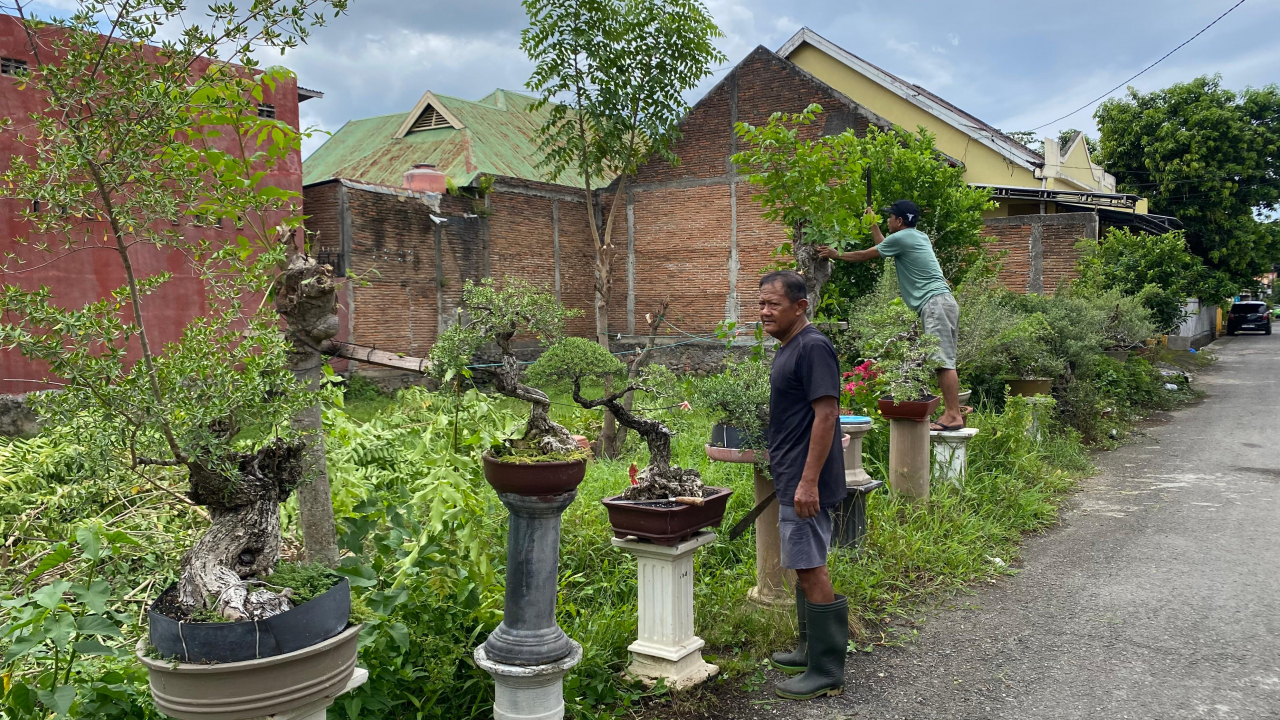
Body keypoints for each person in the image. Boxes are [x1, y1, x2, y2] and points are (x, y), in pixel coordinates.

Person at [758, 270, 848, 700]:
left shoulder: (812, 346)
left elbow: (827, 414)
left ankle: (827, 670)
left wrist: (808, 481)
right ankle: (809, 647)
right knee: (801, 562)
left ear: (800, 307)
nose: (764, 312)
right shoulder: (789, 347)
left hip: (803, 480)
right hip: (792, 473)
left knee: (811, 566)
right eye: (761, 304)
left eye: (773, 304)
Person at [819, 200, 965, 431]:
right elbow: (885, 247)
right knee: (943, 360)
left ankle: (953, 415)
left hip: (935, 303)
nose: (887, 220)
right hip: (943, 302)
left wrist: (837, 255)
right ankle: (952, 412)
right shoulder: (917, 236)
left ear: (899, 221)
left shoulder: (903, 238)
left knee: (943, 362)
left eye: (890, 217)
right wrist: (873, 224)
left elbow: (868, 254)